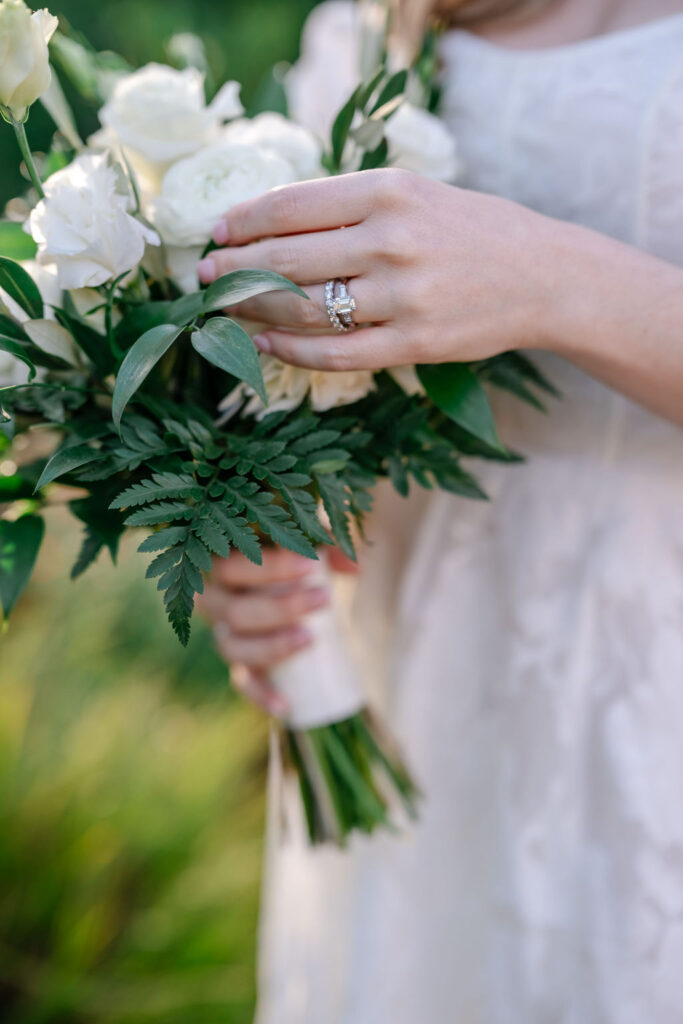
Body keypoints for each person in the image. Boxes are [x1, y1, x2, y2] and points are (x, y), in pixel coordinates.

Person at [197, 0, 683, 1019]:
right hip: (417, 685)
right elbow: (332, 395)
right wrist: (270, 539)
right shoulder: (371, 26)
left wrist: (555, 281)